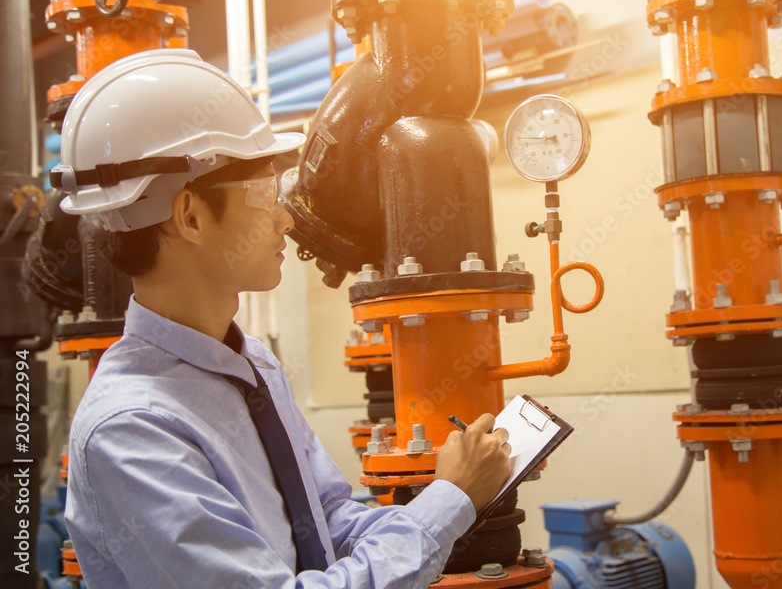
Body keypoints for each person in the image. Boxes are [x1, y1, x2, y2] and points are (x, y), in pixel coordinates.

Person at [54, 49, 512, 588]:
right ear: (191, 217)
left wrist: (445, 505)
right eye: (264, 193)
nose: (284, 219)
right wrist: (450, 501)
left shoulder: (252, 366)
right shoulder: (132, 430)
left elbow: (328, 525)